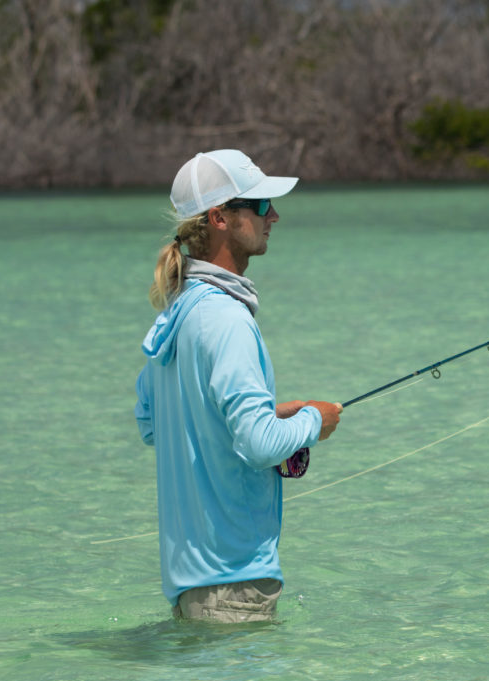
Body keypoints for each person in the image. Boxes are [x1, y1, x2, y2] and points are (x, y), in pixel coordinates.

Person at [134, 149, 342, 623]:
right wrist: (314, 420)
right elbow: (259, 443)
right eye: (262, 205)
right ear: (220, 218)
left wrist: (269, 412)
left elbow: (153, 424)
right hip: (235, 585)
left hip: (191, 586)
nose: (275, 216)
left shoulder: (177, 313)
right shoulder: (226, 318)